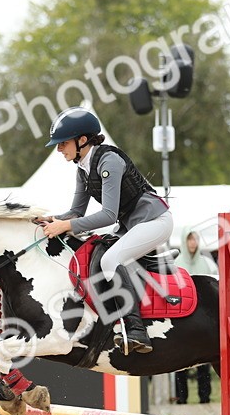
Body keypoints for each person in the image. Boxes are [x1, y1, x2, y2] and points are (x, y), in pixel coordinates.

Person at [35, 106, 173, 354]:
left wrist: (65, 226)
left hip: (155, 221)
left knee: (110, 259)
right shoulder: (82, 168)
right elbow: (76, 212)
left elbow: (108, 215)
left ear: (82, 140)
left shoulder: (109, 161)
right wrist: (52, 219)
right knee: (96, 251)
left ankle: (136, 330)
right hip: (131, 225)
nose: (59, 149)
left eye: (63, 143)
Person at [173, 229, 217, 405]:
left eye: (195, 239)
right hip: (182, 318)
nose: (193, 242)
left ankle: (205, 398)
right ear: (184, 241)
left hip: (203, 319)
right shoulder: (176, 264)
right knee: (179, 361)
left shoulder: (207, 263)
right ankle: (181, 398)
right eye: (189, 239)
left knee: (204, 360)